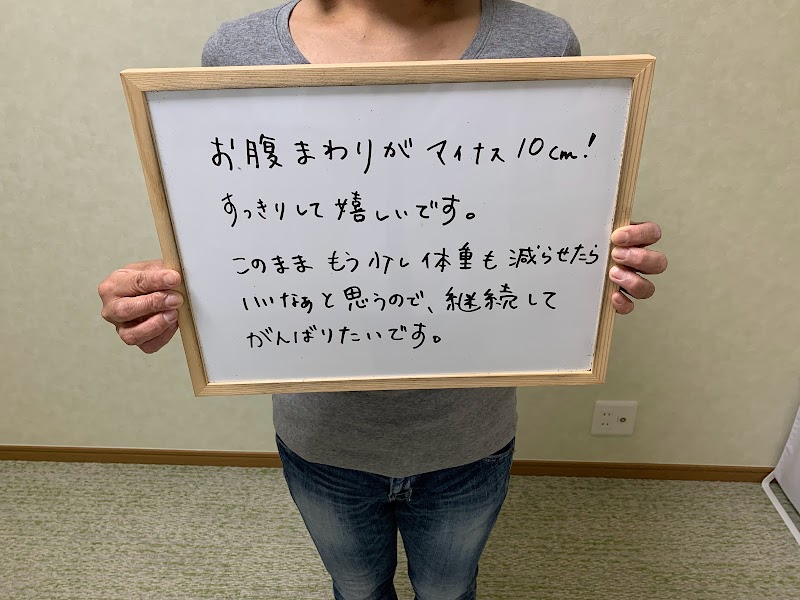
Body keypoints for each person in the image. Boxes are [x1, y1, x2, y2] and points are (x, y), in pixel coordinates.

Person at [99, 1, 668, 598]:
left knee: (449, 589)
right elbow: (236, 227)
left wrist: (594, 261)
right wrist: (165, 296)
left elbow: (539, 212)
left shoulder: (541, 40)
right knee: (357, 588)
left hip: (470, 435)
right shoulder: (238, 51)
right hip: (321, 437)